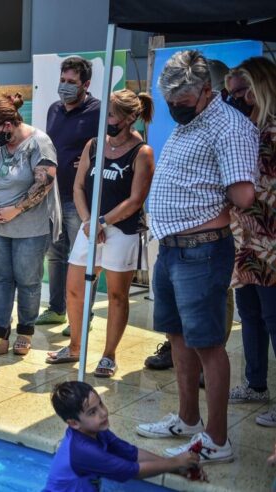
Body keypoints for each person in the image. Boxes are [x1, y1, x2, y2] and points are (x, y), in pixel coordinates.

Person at [136, 50, 259, 464]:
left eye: (182, 103)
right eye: (170, 103)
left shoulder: (229, 126)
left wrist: (207, 198)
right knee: (177, 336)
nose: (174, 110)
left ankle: (216, 439)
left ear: (207, 91)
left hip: (203, 250)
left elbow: (243, 193)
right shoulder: (191, 123)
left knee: (208, 345)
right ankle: (188, 420)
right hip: (172, 249)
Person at [45, 90, 155, 379]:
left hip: (121, 230)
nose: (106, 120)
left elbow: (135, 200)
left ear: (130, 117)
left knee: (118, 295)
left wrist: (103, 222)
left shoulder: (142, 152)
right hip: (90, 227)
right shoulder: (93, 145)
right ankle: (74, 346)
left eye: (112, 115)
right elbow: (79, 187)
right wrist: (88, 221)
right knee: (74, 289)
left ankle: (108, 355)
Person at [0, 95, 61, 358]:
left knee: (28, 281)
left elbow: (44, 184)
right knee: (2, 280)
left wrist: (15, 210)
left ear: (8, 124)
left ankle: (25, 331)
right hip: (0, 226)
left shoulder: (39, 143)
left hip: (30, 228)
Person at [223, 57, 276, 427]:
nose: (239, 98)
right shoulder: (247, 128)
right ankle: (255, 383)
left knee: (275, 319)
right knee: (251, 314)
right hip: (245, 240)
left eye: (243, 91)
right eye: (233, 94)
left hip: (272, 242)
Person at [37, 57, 101, 336]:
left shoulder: (98, 111)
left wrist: (87, 164)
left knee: (83, 258)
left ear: (85, 84)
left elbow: (107, 147)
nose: (64, 86)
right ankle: (56, 308)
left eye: (71, 82)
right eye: (62, 80)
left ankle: (83, 315)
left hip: (80, 199)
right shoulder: (54, 109)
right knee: (56, 255)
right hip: (54, 194)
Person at [44, 381, 201, 491]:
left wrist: (176, 467)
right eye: (92, 412)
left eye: (100, 404)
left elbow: (131, 453)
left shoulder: (97, 432)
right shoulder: (83, 451)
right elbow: (132, 471)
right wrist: (174, 462)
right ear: (73, 424)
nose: (103, 412)